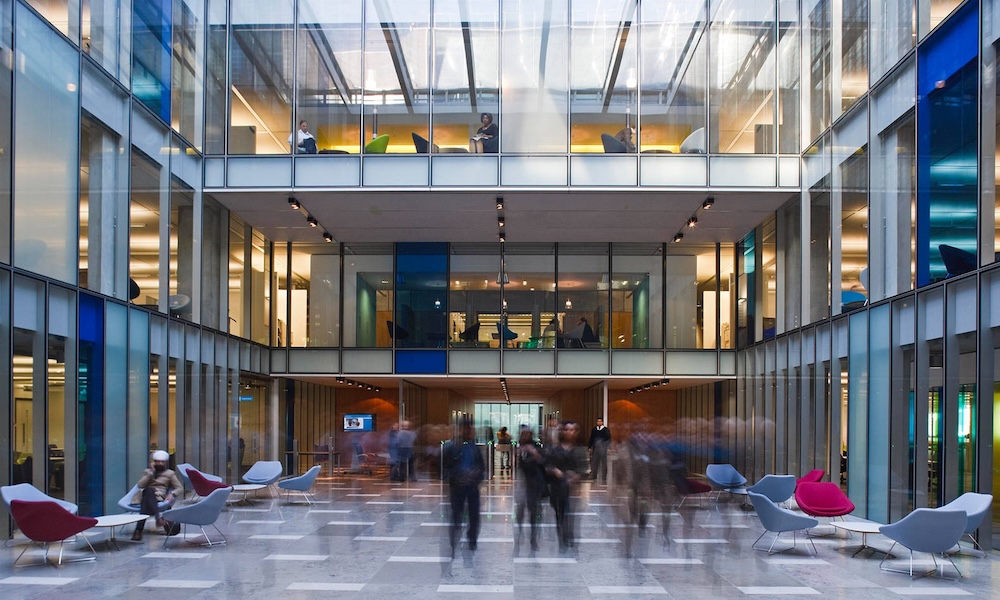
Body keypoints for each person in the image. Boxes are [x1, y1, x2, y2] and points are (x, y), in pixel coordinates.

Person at [442, 419, 486, 554]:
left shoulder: (474, 448)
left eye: (471, 429)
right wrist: (458, 476)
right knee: (457, 513)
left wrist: (476, 475)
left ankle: (472, 538)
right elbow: (445, 468)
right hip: (457, 486)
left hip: (472, 486)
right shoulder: (451, 447)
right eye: (467, 429)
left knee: (474, 514)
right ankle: (454, 538)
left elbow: (481, 466)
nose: (470, 432)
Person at [545, 421, 586, 551]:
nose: (569, 432)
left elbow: (584, 470)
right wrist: (555, 471)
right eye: (567, 430)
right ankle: (562, 540)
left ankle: (570, 537)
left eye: (572, 430)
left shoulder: (579, 450)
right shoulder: (555, 449)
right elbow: (547, 465)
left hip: (573, 490)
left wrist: (575, 476)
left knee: (571, 515)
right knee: (560, 514)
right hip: (558, 487)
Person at [130, 450, 182, 541]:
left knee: (145, 502)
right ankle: (158, 517)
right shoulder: (147, 472)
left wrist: (172, 494)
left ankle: (138, 531)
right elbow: (140, 485)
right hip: (145, 494)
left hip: (158, 497)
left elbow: (180, 488)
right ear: (154, 462)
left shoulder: (170, 474)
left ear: (165, 463)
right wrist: (151, 473)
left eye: (162, 462)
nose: (160, 464)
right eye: (157, 461)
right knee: (149, 490)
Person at [514, 428, 545, 551]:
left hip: (534, 483)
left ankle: (533, 538)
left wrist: (534, 453)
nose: (525, 436)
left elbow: (542, 461)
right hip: (523, 483)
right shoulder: (520, 446)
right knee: (520, 510)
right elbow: (520, 464)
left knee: (533, 511)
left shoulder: (536, 446)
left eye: (527, 434)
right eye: (523, 434)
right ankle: (520, 532)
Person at [588, 418, 611, 483]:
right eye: (598, 421)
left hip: (603, 448)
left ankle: (604, 477)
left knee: (604, 463)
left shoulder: (606, 430)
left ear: (602, 422)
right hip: (595, 448)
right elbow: (591, 438)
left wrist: (608, 448)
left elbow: (608, 439)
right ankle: (593, 475)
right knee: (594, 462)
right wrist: (589, 447)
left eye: (600, 421)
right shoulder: (594, 429)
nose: (599, 422)